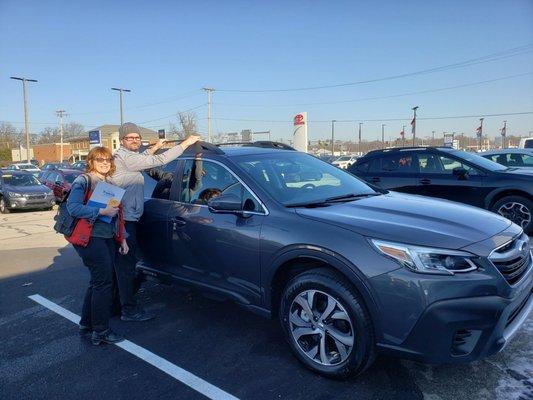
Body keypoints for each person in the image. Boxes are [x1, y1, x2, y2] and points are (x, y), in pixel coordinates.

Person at [110, 122, 201, 321]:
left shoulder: (129, 157)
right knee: (126, 267)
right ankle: (127, 310)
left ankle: (116, 304)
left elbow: (145, 157)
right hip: (123, 221)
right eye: (129, 138)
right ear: (122, 140)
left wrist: (155, 146)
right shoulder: (124, 158)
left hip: (131, 217)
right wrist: (185, 143)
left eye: (137, 137)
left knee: (128, 264)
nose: (134, 140)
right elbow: (158, 160)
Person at [67, 146, 128, 345]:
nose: (104, 163)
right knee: (104, 283)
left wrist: (123, 238)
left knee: (97, 282)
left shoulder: (108, 182)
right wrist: (101, 212)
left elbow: (118, 214)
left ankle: (87, 324)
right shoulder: (83, 180)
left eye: (108, 159)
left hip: (107, 237)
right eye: (99, 159)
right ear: (91, 161)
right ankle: (100, 331)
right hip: (89, 238)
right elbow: (73, 207)